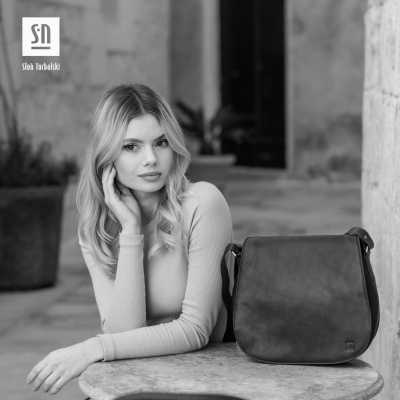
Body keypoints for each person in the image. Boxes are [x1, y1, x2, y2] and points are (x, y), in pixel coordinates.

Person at [26, 83, 235, 395]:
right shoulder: (96, 228)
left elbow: (197, 330)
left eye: (161, 143)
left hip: (204, 383)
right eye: (131, 147)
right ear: (106, 156)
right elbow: (124, 331)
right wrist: (131, 229)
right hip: (137, 382)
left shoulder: (203, 204)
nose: (151, 159)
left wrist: (92, 348)